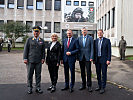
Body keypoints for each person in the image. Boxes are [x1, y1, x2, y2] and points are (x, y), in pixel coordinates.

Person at [23, 26, 45, 94]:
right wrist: (25, 58)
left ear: (39, 32)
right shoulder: (29, 40)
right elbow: (26, 50)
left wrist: (43, 58)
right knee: (30, 75)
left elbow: (43, 51)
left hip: (38, 61)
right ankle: (30, 87)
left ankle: (38, 87)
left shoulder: (42, 40)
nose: (36, 33)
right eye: (35, 31)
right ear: (33, 32)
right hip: (30, 60)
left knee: (38, 75)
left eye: (37, 31)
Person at [93, 29, 111, 94]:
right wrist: (94, 59)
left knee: (104, 74)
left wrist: (108, 59)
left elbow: (109, 51)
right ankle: (99, 85)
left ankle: (103, 87)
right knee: (98, 73)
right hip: (97, 60)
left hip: (104, 60)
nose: (99, 34)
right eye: (98, 33)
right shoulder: (95, 41)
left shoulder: (107, 41)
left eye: (101, 33)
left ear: (103, 33)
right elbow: (94, 51)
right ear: (97, 34)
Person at [77, 27, 93, 92]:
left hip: (88, 57)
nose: (84, 32)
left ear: (87, 31)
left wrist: (91, 57)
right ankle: (83, 85)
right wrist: (77, 57)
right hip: (81, 57)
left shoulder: (90, 38)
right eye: (83, 31)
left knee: (88, 71)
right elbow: (78, 48)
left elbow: (92, 48)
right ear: (81, 32)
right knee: (82, 72)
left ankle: (89, 85)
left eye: (85, 31)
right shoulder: (79, 38)